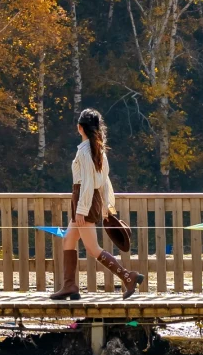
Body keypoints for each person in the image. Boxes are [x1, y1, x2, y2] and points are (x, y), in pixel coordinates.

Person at [48, 108, 143, 301]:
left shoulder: (85, 150)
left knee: (93, 249)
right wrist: (108, 205)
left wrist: (82, 209)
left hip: (84, 199)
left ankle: (128, 277)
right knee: (68, 240)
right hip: (87, 199)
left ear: (80, 128)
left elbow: (89, 183)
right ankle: (69, 285)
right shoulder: (98, 149)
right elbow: (104, 180)